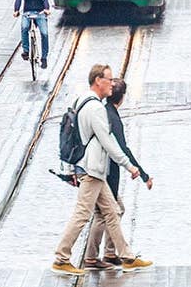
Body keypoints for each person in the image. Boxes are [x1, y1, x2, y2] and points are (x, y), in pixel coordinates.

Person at [51, 65, 153, 275]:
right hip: (91, 170)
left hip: (92, 169)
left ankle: (127, 257)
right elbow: (108, 141)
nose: (112, 83)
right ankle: (62, 258)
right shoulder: (96, 108)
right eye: (109, 79)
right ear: (98, 80)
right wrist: (129, 166)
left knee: (113, 211)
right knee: (82, 214)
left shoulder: (82, 100)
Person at [81, 77, 152, 270]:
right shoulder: (110, 116)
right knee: (107, 213)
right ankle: (95, 256)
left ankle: (108, 254)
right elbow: (121, 148)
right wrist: (140, 172)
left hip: (99, 171)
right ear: (121, 99)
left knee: (110, 211)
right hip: (104, 173)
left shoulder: (103, 111)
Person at [14, 0, 51, 68]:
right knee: (24, 27)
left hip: (40, 12)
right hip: (27, 13)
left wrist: (47, 8)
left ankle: (44, 57)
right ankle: (26, 50)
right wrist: (16, 10)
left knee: (45, 33)